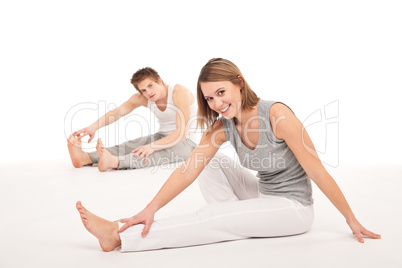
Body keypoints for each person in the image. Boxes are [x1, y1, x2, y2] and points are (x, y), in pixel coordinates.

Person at [76, 58, 381, 252]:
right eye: (209, 98)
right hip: (263, 196)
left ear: (239, 83)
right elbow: (188, 169)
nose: (217, 103)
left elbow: (317, 171)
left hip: (294, 208)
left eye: (221, 92)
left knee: (216, 216)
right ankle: (234, 221)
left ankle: (119, 237)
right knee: (208, 161)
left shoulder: (277, 115)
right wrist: (150, 208)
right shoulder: (223, 126)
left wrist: (350, 218)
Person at [67, 67, 197, 171]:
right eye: (143, 90)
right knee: (131, 145)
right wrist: (93, 127)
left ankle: (114, 162)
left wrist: (151, 147)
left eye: (151, 85)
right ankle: (85, 158)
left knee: (150, 153)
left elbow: (181, 134)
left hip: (188, 143)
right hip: (162, 136)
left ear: (159, 80)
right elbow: (117, 112)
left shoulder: (179, 92)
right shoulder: (144, 98)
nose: (148, 93)